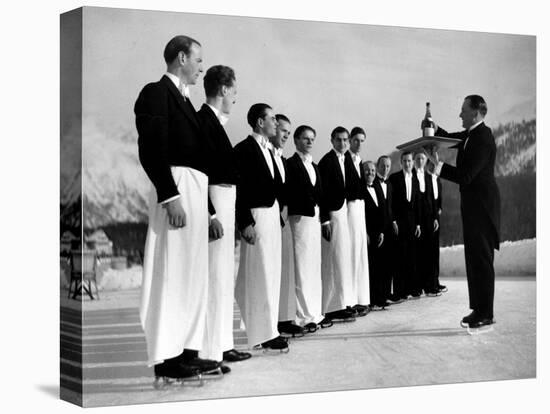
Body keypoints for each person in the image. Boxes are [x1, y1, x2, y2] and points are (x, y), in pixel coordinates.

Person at [135, 35, 220, 381]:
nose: (202, 67)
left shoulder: (185, 101)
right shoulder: (156, 92)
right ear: (182, 58)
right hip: (178, 190)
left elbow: (200, 160)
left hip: (196, 193)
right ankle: (168, 359)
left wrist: (210, 210)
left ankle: (187, 351)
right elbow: (152, 147)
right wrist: (170, 197)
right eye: (198, 60)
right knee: (172, 275)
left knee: (191, 276)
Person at [426, 95, 500, 329]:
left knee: (482, 261)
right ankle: (478, 309)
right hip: (473, 209)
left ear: (476, 112)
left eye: (463, 111)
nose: (460, 115)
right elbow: (449, 138)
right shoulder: (470, 135)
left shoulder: (483, 138)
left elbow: (466, 176)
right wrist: (433, 127)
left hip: (483, 211)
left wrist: (437, 167)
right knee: (474, 260)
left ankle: (486, 312)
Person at [195, 65, 252, 366]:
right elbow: (198, 173)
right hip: (216, 204)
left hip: (226, 204)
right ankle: (208, 349)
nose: (235, 97)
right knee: (213, 277)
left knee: (223, 278)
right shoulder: (203, 121)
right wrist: (210, 214)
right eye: (234, 91)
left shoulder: (216, 123)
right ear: (224, 89)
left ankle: (222, 343)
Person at [234, 104, 289, 352]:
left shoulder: (270, 150)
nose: (276, 123)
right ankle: (262, 333)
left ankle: (270, 329)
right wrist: (245, 222)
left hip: (272, 217)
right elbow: (240, 189)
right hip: (256, 216)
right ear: (259, 122)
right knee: (260, 273)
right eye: (272, 119)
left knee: (272, 272)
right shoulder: (244, 150)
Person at [285, 125, 329, 332]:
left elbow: (320, 193)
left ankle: (314, 314)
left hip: (314, 221)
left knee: (313, 268)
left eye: (312, 139)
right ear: (296, 140)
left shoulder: (316, 166)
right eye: (305, 138)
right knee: (301, 268)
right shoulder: (290, 164)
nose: (310, 142)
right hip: (299, 220)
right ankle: (301, 317)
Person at [270, 114, 304, 338]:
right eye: (283, 131)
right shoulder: (267, 155)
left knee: (285, 271)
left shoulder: (282, 160)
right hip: (269, 217)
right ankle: (272, 321)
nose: (285, 136)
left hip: (284, 219)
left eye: (288, 133)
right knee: (272, 272)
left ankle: (285, 318)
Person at [318, 127, 355, 323]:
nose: (342, 144)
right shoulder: (326, 161)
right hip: (332, 214)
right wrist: (324, 220)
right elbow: (321, 193)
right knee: (333, 260)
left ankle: (342, 303)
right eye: (338, 140)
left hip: (344, 213)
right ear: (332, 141)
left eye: (345, 140)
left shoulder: (346, 159)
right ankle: (331, 307)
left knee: (342, 259)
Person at [389, 151, 421, 301]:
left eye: (410, 161)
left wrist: (418, 224)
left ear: (412, 163)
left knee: (411, 256)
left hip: (412, 222)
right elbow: (390, 202)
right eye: (405, 161)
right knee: (398, 257)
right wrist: (393, 221)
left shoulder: (415, 180)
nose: (407, 164)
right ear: (401, 163)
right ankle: (399, 291)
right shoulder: (394, 178)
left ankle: (412, 288)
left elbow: (418, 204)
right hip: (399, 222)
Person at [344, 127, 370, 316]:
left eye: (362, 141)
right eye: (356, 140)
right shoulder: (344, 159)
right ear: (350, 141)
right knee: (351, 254)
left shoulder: (359, 161)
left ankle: (361, 298)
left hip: (360, 210)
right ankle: (349, 300)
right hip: (349, 209)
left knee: (360, 253)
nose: (359, 144)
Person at [413, 152, 441, 297]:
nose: (419, 161)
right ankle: (417, 286)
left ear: (425, 161)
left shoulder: (429, 177)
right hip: (416, 219)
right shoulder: (410, 176)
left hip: (429, 219)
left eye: (422, 159)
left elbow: (433, 200)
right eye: (417, 159)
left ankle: (430, 285)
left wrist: (435, 218)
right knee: (417, 253)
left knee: (429, 252)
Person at [363, 160, 387, 310]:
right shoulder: (360, 189)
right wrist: (364, 233)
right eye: (367, 170)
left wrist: (383, 232)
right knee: (369, 268)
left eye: (372, 170)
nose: (370, 173)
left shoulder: (377, 187)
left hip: (379, 233)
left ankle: (380, 297)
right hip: (367, 233)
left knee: (380, 267)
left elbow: (383, 210)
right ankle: (369, 299)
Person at [374, 156, 395, 306]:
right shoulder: (373, 183)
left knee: (389, 262)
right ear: (378, 166)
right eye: (383, 166)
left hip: (389, 228)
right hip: (378, 228)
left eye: (388, 166)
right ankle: (378, 296)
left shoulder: (389, 184)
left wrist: (393, 221)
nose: (385, 169)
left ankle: (387, 293)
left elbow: (390, 206)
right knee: (378, 264)